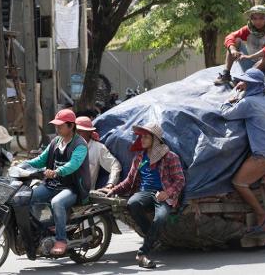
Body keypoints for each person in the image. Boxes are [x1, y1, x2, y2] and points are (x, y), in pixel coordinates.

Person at [98, 123, 185, 268]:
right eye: (141, 137)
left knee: (161, 217)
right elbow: (129, 181)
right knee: (132, 203)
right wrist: (113, 190)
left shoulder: (170, 157)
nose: (142, 140)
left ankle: (142, 252)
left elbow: (180, 180)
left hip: (163, 195)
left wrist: (167, 193)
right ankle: (152, 238)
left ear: (155, 139)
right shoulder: (139, 158)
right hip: (145, 193)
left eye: (146, 137)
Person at [220, 68, 265, 242]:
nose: (243, 84)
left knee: (239, 182)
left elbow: (225, 113)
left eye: (246, 82)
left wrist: (230, 98)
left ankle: (261, 215)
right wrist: (251, 84)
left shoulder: (249, 103)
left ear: (252, 85)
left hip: (262, 154)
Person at [27, 109, 90, 255]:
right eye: (56, 125)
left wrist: (57, 171)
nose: (57, 128)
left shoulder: (80, 144)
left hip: (73, 188)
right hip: (52, 185)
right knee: (28, 197)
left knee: (57, 202)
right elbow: (41, 159)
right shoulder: (55, 141)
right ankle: (41, 230)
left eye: (60, 126)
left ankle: (61, 239)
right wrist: (23, 165)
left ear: (71, 126)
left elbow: (73, 164)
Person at [214, 5, 265, 85]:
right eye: (254, 18)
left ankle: (245, 80)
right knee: (236, 40)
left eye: (261, 18)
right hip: (251, 65)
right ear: (251, 19)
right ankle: (226, 74)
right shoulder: (247, 30)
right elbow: (230, 37)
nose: (258, 22)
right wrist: (233, 49)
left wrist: (249, 57)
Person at [75, 116, 122, 190]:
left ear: (89, 132)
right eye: (75, 131)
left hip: (84, 192)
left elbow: (115, 165)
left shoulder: (98, 148)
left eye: (80, 131)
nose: (76, 134)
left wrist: (111, 183)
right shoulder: (68, 145)